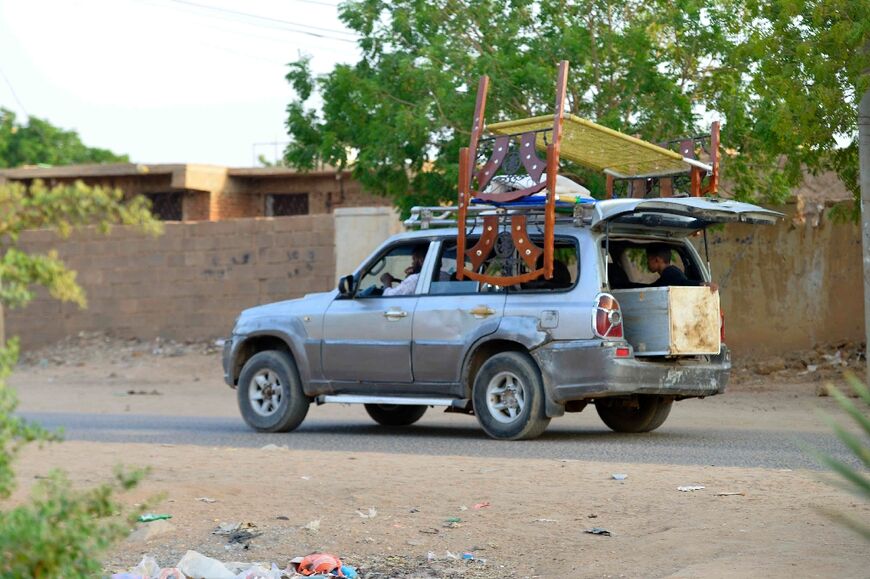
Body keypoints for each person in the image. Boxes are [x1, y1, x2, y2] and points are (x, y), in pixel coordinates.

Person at [645, 244, 718, 293]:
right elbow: (653, 287)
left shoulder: (670, 273)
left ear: (657, 260)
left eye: (648, 259)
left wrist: (702, 284)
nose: (647, 262)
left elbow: (683, 283)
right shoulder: (667, 274)